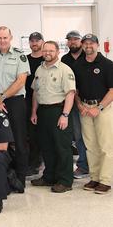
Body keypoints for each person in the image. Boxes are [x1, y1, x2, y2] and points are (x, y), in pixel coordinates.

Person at [0, 26, 30, 189]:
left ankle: (20, 179)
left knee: (19, 140)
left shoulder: (19, 55)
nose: (2, 41)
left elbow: (21, 81)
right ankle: (4, 176)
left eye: (5, 38)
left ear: (11, 38)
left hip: (14, 101)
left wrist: (1, 98)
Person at [29, 41, 76, 193]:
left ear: (57, 52)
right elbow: (36, 92)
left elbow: (70, 94)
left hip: (58, 111)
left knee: (62, 147)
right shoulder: (39, 69)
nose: (47, 53)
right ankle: (49, 176)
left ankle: (65, 181)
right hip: (43, 111)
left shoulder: (64, 69)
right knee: (47, 146)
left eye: (51, 50)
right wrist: (34, 112)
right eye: (45, 50)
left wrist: (65, 115)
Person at [73, 34, 113, 194]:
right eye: (85, 43)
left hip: (103, 108)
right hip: (85, 108)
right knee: (90, 146)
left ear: (97, 45)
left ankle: (106, 180)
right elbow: (74, 90)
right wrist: (79, 105)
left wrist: (100, 107)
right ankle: (95, 177)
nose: (88, 46)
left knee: (105, 145)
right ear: (82, 45)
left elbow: (112, 90)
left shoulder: (107, 64)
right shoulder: (78, 65)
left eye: (91, 43)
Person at [61, 30, 89, 179]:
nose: (72, 42)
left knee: (92, 136)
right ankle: (83, 166)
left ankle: (96, 165)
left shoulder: (89, 56)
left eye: (75, 39)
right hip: (72, 103)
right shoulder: (64, 59)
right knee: (78, 135)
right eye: (70, 40)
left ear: (81, 41)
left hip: (90, 103)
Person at [25, 32, 45, 175]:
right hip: (28, 101)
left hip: (46, 102)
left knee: (45, 134)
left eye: (37, 41)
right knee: (31, 135)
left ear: (42, 42)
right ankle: (34, 163)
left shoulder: (47, 59)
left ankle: (45, 162)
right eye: (32, 41)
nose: (34, 43)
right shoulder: (25, 60)